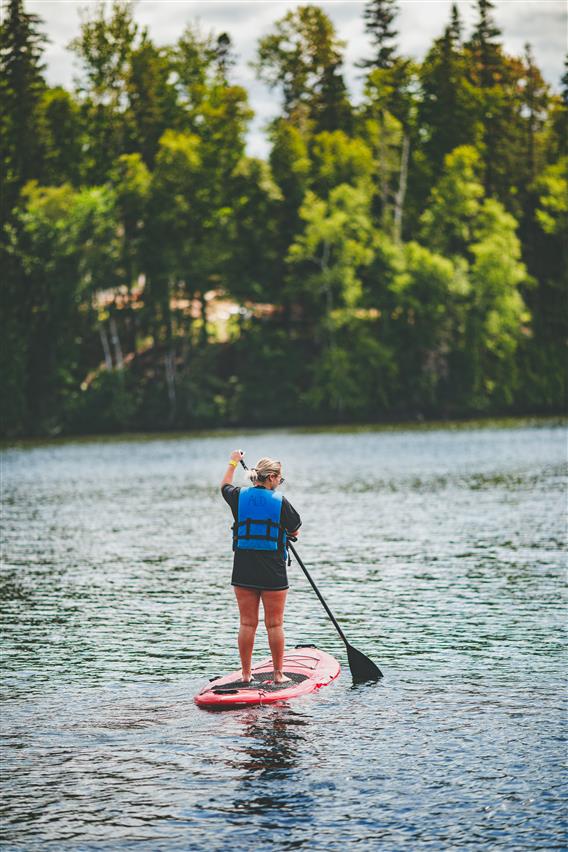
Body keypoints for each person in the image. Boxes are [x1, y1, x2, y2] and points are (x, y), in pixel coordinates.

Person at [221, 451, 301, 684]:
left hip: (243, 569)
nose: (279, 483)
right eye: (280, 479)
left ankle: (246, 675)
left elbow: (224, 484)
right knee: (274, 624)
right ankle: (278, 674)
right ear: (272, 477)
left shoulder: (237, 496)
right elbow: (295, 530)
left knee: (247, 623)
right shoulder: (280, 501)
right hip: (272, 571)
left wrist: (234, 460)